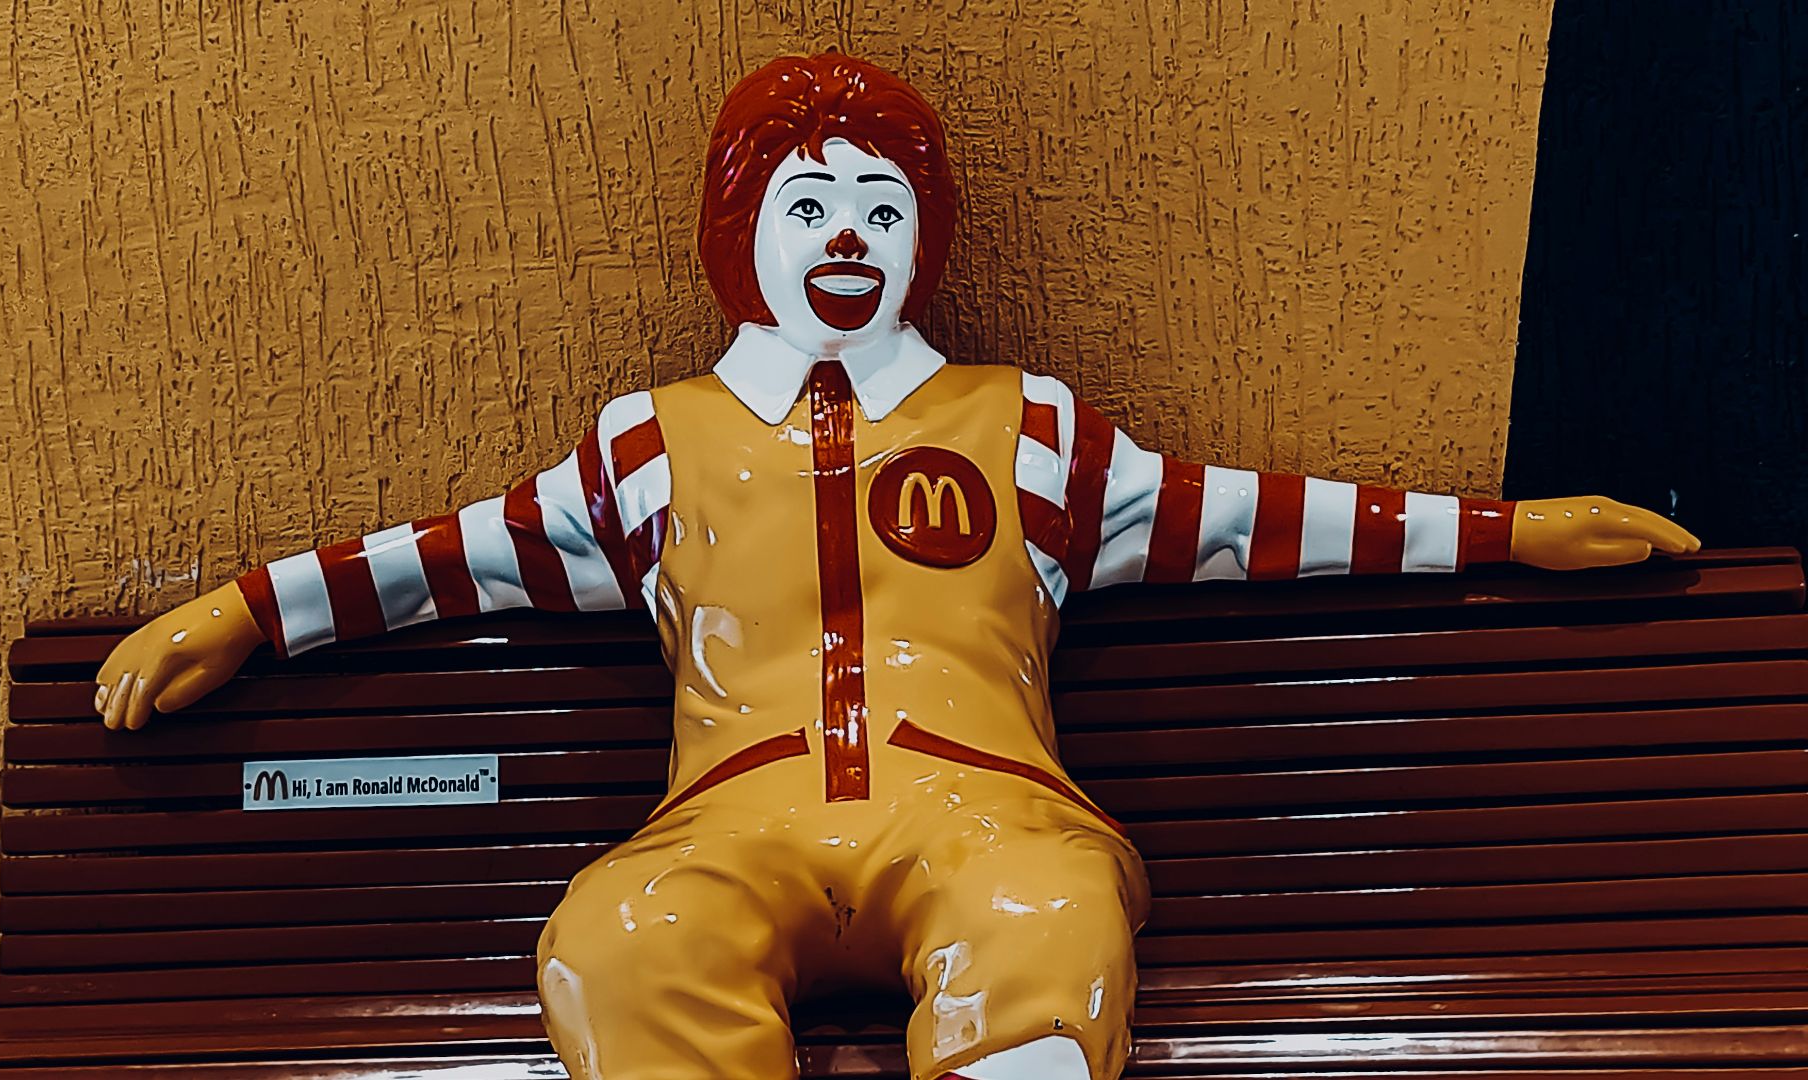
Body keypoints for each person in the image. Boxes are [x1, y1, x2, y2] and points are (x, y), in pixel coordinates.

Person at [91, 52, 1700, 1080]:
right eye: (810, 203)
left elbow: (1263, 517)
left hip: (984, 812)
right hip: (730, 822)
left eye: (880, 201)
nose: (848, 233)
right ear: (746, 232)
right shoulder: (648, 445)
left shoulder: (1035, 433)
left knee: (1046, 920)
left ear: (926, 235)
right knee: (618, 939)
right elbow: (453, 562)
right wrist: (249, 610)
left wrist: (1514, 532)